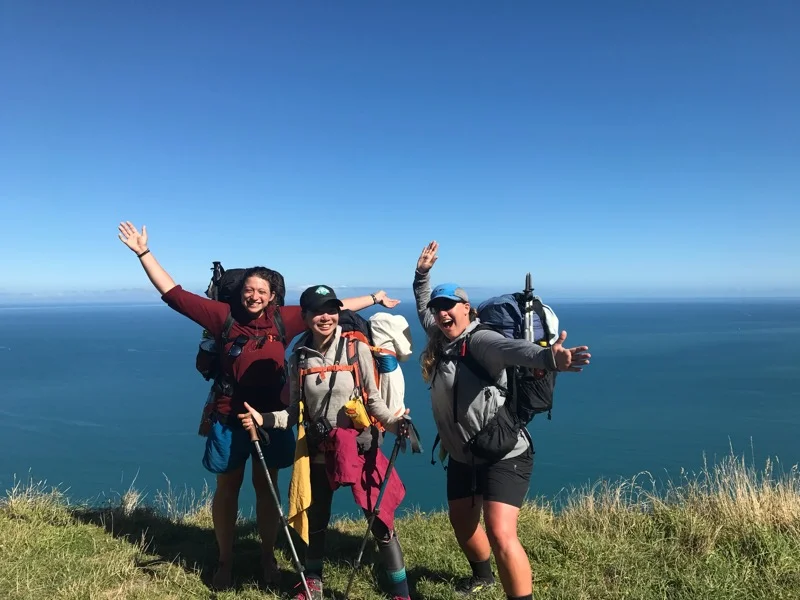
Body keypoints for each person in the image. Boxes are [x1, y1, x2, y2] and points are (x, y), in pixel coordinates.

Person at [117, 222, 401, 590]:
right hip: (229, 413)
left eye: (261, 291)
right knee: (228, 486)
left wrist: (375, 298)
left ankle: (267, 555)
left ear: (272, 296)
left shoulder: (283, 318)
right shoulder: (222, 315)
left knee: (267, 486)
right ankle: (225, 560)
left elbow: (332, 308)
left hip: (273, 418)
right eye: (249, 290)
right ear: (241, 293)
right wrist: (143, 253)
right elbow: (175, 295)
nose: (254, 296)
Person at [413, 241, 591, 600]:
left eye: (449, 306)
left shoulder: (482, 340)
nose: (442, 313)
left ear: (467, 309)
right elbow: (422, 303)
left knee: (500, 533)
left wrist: (551, 359)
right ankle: (483, 578)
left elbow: (515, 350)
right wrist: (422, 275)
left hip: (504, 453)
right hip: (463, 454)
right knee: (462, 523)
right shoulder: (440, 337)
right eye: (438, 308)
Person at [238, 284, 413, 600]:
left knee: (379, 521)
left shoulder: (356, 348)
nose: (326, 317)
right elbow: (293, 413)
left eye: (331, 310)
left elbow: (374, 401)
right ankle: (313, 583)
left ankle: (401, 591)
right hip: (320, 447)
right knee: (316, 519)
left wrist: (395, 423)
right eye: (318, 312)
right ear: (305, 317)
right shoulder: (299, 358)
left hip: (360, 444)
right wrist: (262, 419)